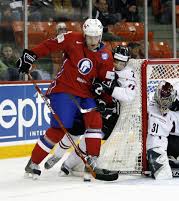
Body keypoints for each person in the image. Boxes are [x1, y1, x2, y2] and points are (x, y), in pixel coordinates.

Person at [16, 18, 115, 178]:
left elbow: (105, 81)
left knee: (95, 120)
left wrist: (105, 98)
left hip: (87, 93)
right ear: (84, 34)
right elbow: (50, 45)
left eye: (96, 37)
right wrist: (31, 56)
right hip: (65, 89)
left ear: (101, 35)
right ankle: (33, 162)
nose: (92, 41)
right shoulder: (72, 38)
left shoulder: (106, 55)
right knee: (60, 126)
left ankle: (93, 160)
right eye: (89, 37)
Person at [43, 45, 137, 175]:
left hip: (111, 115)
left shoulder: (128, 75)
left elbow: (128, 96)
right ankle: (57, 156)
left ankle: (67, 165)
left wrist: (107, 90)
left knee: (89, 141)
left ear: (126, 62)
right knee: (75, 131)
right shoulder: (103, 65)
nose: (117, 65)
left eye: (122, 63)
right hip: (93, 104)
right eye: (116, 61)